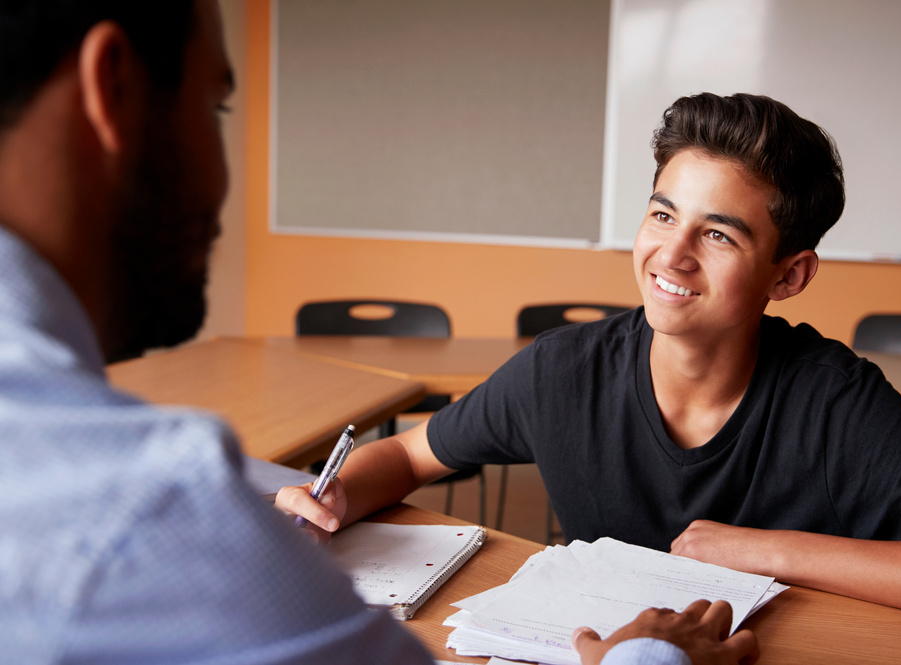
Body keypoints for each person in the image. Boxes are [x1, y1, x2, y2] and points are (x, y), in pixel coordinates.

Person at [0, 1, 757, 663]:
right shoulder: (153, 516)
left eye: (717, 233)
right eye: (216, 107)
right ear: (113, 89)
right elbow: (404, 451)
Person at [280, 92, 901, 629]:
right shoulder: (562, 372)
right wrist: (337, 494)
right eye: (661, 215)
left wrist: (771, 551)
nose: (672, 255)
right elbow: (405, 458)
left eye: (718, 235)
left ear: (788, 275)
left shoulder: (833, 401)